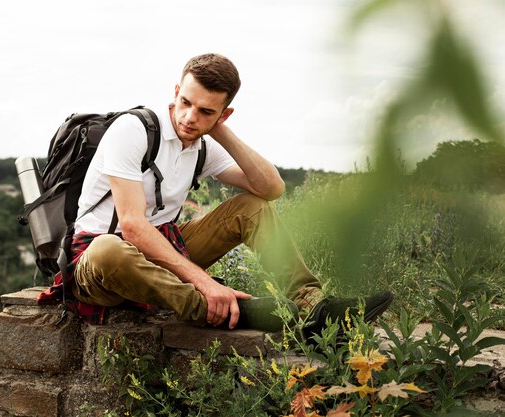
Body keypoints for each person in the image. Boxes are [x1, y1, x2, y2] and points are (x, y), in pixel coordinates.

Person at [40, 53, 392, 335]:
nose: (190, 117)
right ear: (176, 91)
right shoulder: (132, 131)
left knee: (251, 207)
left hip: (164, 250)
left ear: (224, 114)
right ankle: (216, 311)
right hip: (98, 265)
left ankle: (313, 305)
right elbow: (131, 228)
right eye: (186, 102)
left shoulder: (202, 146)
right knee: (109, 249)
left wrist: (221, 132)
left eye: (206, 111)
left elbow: (271, 188)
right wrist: (207, 284)